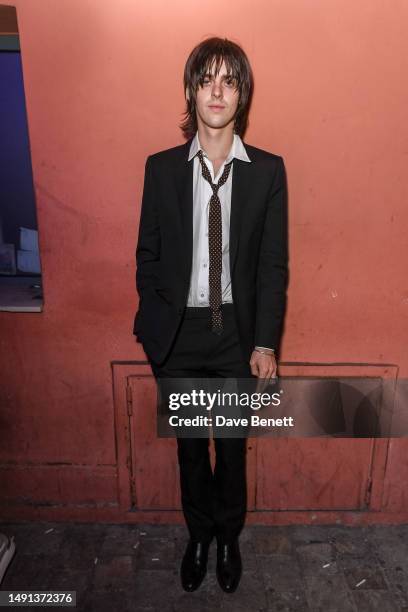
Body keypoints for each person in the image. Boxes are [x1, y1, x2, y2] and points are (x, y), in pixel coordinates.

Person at [133, 36, 288, 593]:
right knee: (191, 450)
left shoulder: (268, 172)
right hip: (180, 336)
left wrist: (265, 343)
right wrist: (159, 337)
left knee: (231, 449)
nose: (217, 91)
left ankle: (227, 539)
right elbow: (147, 256)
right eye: (207, 80)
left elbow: (272, 266)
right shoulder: (162, 169)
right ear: (192, 92)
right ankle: (197, 536)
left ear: (242, 94)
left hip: (236, 339)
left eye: (228, 80)